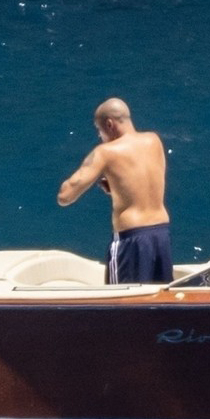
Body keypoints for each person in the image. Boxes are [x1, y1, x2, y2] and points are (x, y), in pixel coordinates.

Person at [57, 98, 173, 284]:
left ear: (109, 124)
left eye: (99, 130)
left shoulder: (106, 152)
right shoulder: (154, 140)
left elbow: (65, 196)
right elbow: (144, 182)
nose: (99, 135)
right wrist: (117, 186)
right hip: (160, 234)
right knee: (158, 296)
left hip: (132, 238)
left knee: (123, 298)